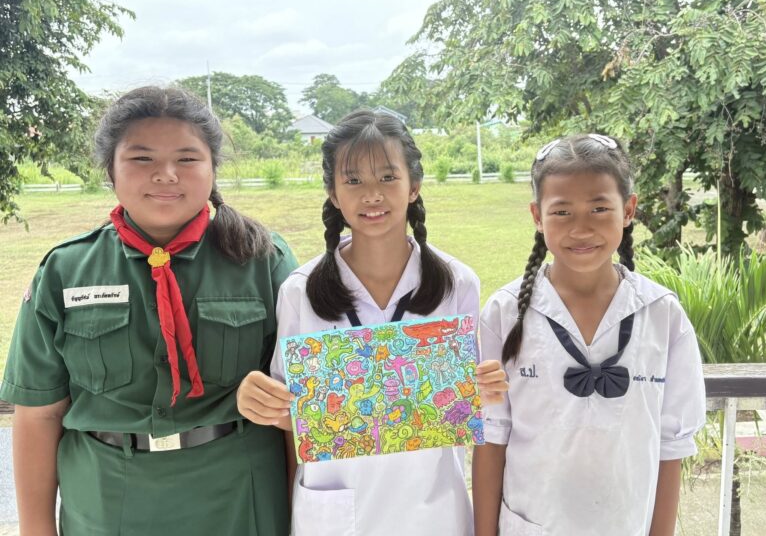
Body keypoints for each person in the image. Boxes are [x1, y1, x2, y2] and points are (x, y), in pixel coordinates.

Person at [0, 86, 297, 536]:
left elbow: (302, 407)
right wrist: (35, 529)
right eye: (142, 158)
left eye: (187, 158)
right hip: (104, 504)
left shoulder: (264, 261)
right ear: (110, 169)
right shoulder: (65, 271)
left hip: (240, 498)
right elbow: (39, 413)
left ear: (212, 168)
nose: (166, 175)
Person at [237, 110, 508, 536]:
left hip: (432, 507)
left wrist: (482, 390)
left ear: (414, 186)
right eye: (353, 181)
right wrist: (265, 404)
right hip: (334, 510)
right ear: (332, 193)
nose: (372, 195)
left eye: (387, 177)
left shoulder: (458, 284)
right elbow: (294, 419)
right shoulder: (300, 291)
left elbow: (473, 408)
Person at [473, 134, 707, 536]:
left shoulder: (662, 314)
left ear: (628, 210)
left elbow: (672, 445)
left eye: (599, 208)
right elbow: (491, 436)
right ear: (537, 216)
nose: (581, 229)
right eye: (562, 212)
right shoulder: (504, 313)